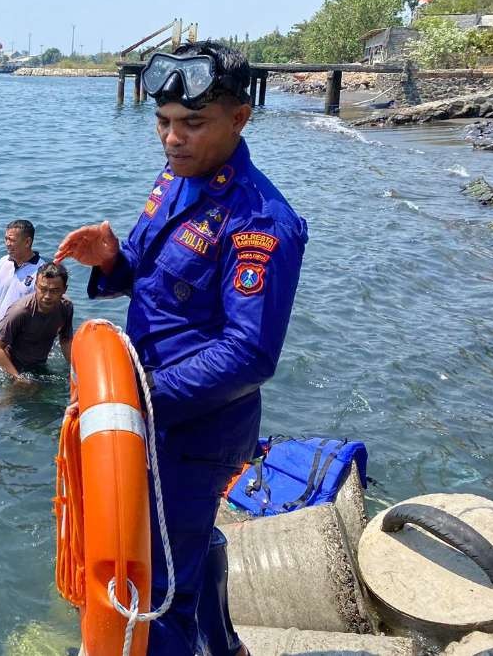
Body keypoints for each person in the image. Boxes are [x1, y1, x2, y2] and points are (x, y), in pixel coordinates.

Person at [54, 41, 308, 656]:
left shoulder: (261, 221)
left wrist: (134, 404)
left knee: (157, 589)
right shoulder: (177, 177)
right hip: (151, 411)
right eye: (164, 122)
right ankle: (224, 647)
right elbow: (155, 268)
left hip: (193, 429)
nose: (173, 139)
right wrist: (113, 258)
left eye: (193, 123)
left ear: (239, 119)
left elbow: (250, 352)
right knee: (187, 546)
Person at [0, 262, 73, 383]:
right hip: (10, 366)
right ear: (35, 286)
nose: (47, 296)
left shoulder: (66, 307)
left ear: (65, 289)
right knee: (8, 400)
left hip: (39, 366)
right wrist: (18, 378)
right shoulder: (20, 311)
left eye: (54, 291)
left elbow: (65, 340)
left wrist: (74, 368)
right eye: (43, 289)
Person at [0, 219, 45, 339]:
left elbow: (45, 310)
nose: (7, 243)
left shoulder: (41, 270)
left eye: (12, 240)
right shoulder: (3, 262)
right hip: (0, 334)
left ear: (27, 242)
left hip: (26, 337)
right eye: (6, 239)